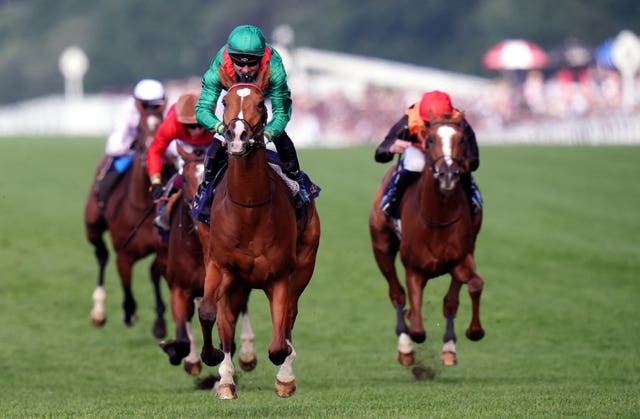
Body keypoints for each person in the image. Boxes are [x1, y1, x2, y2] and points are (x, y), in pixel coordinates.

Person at [193, 24, 309, 217]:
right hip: (233, 95)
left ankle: (299, 185)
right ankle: (205, 191)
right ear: (231, 58)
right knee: (215, 148)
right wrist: (221, 128)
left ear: (261, 58)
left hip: (260, 98)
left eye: (252, 63)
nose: (245, 69)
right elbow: (203, 108)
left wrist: (268, 133)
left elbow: (281, 112)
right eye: (240, 63)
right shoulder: (219, 66)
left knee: (283, 140)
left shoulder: (274, 67)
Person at [375, 90, 483, 219]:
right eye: (428, 123)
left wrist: (464, 165)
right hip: (419, 150)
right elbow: (380, 153)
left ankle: (471, 196)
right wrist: (391, 148)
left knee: (456, 165)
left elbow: (473, 158)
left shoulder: (459, 121)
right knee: (416, 164)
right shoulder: (410, 119)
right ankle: (393, 196)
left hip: (446, 153)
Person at [147, 91, 216, 232]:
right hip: (184, 144)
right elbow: (155, 151)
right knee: (184, 173)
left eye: (200, 124)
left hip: (213, 140)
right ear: (181, 122)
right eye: (190, 126)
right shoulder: (171, 124)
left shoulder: (216, 118)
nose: (197, 130)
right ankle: (164, 213)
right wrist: (155, 181)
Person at [96, 78, 167, 209]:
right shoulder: (127, 110)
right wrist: (132, 146)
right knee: (108, 179)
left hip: (159, 153)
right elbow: (113, 145)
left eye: (155, 105)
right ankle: (101, 205)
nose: (151, 109)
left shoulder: (166, 110)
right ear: (137, 102)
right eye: (146, 105)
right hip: (130, 153)